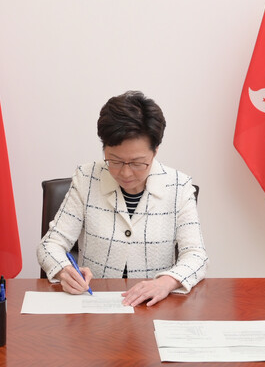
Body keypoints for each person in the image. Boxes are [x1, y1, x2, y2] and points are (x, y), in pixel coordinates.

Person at [37, 91, 208, 306]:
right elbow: (50, 244)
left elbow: (196, 255)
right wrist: (64, 270)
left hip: (153, 307)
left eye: (137, 163)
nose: (126, 173)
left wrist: (166, 283)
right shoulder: (87, 178)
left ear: (155, 151)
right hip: (94, 305)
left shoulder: (179, 186)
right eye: (115, 161)